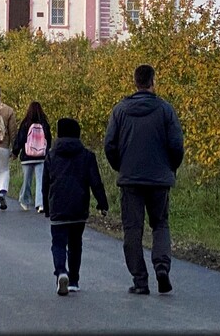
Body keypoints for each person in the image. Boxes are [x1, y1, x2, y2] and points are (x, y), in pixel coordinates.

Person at [104, 64, 184, 296]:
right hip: (159, 179)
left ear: (135, 82)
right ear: (153, 81)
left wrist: (121, 166)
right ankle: (161, 268)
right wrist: (170, 167)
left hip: (130, 180)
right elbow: (176, 145)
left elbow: (110, 145)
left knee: (132, 229)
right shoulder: (165, 110)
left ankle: (140, 280)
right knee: (160, 224)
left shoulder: (120, 110)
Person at [42, 117, 108, 295]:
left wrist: (47, 207)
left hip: (58, 206)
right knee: (75, 244)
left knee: (58, 243)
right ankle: (74, 281)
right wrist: (103, 204)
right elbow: (96, 182)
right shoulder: (87, 156)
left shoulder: (51, 155)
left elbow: (45, 184)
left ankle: (61, 271)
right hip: (79, 208)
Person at [11, 101, 52, 213]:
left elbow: (20, 139)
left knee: (26, 180)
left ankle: (24, 201)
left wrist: (15, 152)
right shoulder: (44, 124)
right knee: (40, 181)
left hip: (27, 156)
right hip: (41, 156)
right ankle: (40, 204)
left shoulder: (25, 123)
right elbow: (48, 140)